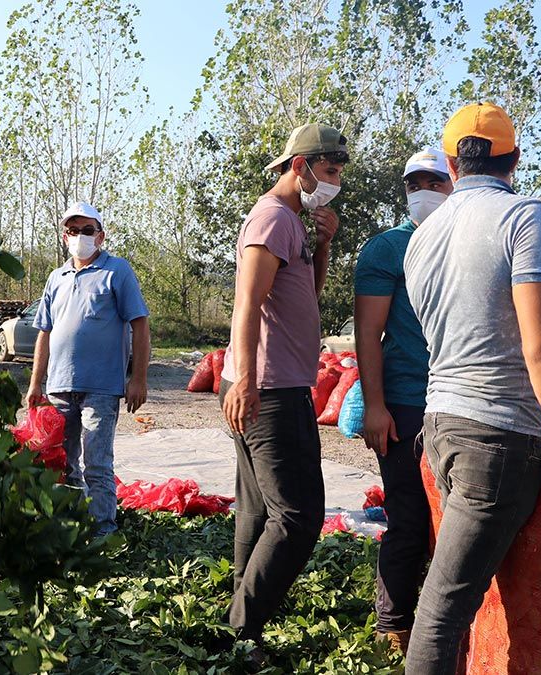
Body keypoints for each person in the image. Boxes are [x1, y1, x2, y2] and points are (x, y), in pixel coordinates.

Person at [403, 102, 541, 673]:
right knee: (442, 614)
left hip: (440, 428)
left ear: (451, 164)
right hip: (495, 439)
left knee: (465, 598)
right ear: (514, 158)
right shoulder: (525, 217)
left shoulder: (422, 237)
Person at [219, 123, 348, 659]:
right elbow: (248, 304)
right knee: (298, 517)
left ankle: (237, 629)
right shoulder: (272, 218)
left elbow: (304, 297)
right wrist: (246, 380)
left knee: (258, 512)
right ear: (302, 166)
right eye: (331, 171)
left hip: (272, 382)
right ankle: (242, 629)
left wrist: (323, 247)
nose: (337, 182)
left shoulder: (293, 222)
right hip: (270, 388)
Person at [353, 149, 453, 652]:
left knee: (455, 523)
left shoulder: (466, 241)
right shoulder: (388, 248)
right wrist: (376, 406)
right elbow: (368, 333)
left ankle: (444, 623)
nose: (424, 191)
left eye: (434, 181)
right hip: (407, 401)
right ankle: (393, 624)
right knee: (410, 516)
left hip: (458, 401)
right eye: (414, 183)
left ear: (454, 184)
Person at [25, 201, 150, 537]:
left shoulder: (117, 271)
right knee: (61, 463)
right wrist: (36, 383)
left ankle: (103, 533)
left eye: (87, 230)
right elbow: (45, 333)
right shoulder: (56, 278)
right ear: (65, 236)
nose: (79, 237)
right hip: (59, 386)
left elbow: (140, 325)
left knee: (96, 463)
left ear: (100, 236)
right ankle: (70, 527)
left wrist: (138, 378)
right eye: (73, 230)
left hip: (102, 387)